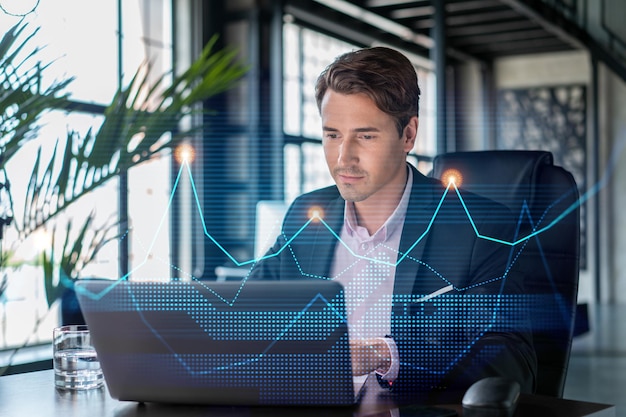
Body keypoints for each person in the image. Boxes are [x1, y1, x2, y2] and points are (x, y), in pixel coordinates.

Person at [249, 46, 536, 397]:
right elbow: (244, 312)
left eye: (365, 135)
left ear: (408, 135)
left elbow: (511, 359)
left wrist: (386, 355)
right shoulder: (306, 215)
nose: (344, 158)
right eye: (332, 134)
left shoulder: (482, 229)